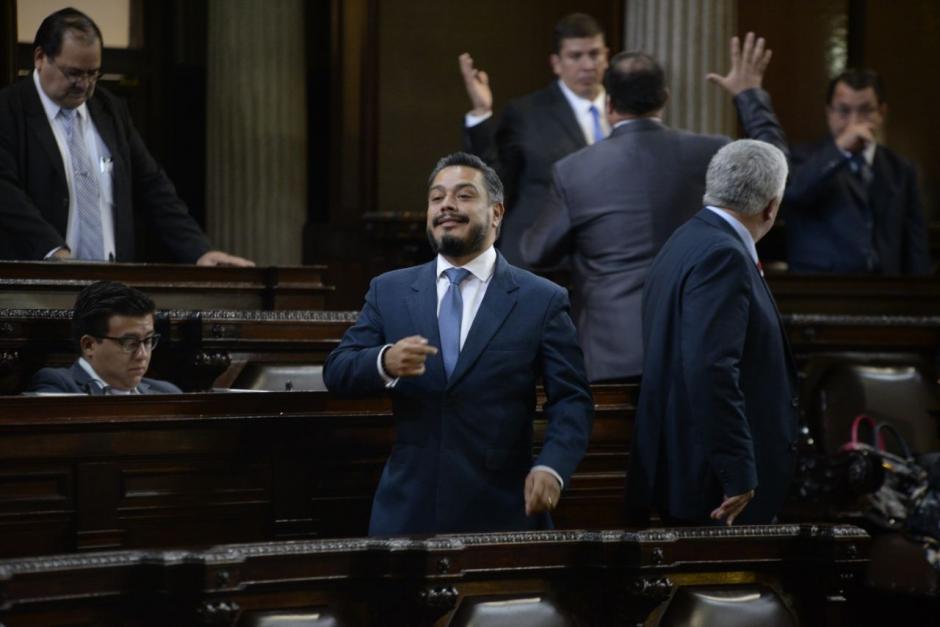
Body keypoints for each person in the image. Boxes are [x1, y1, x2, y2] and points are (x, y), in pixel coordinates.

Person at [323, 152, 594, 536]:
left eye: (464, 195)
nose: (446, 205)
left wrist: (552, 467)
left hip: (502, 511)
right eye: (437, 197)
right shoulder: (390, 290)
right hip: (407, 511)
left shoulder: (541, 299)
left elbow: (572, 400)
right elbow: (337, 370)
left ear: (496, 213)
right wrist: (384, 361)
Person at [522, 33, 788, 382]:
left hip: (611, 357)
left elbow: (536, 251)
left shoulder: (573, 170)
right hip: (695, 346)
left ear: (609, 104)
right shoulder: (711, 153)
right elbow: (773, 165)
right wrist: (748, 95)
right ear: (665, 98)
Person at [627, 140, 799, 526]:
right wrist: (736, 472)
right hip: (714, 488)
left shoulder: (684, 240)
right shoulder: (723, 256)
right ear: (771, 207)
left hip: (686, 468)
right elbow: (712, 370)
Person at [0, 7, 252, 266]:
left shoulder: (110, 110)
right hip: (38, 283)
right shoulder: (9, 111)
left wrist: (199, 250)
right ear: (40, 58)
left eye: (93, 73)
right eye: (74, 73)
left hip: (111, 286)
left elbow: (153, 187)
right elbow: (7, 196)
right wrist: (53, 251)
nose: (85, 84)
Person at [459, 13, 609, 268]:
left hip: (607, 262)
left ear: (606, 56)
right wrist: (481, 114)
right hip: (540, 261)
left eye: (594, 54)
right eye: (575, 56)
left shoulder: (626, 108)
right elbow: (494, 182)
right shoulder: (526, 113)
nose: (587, 65)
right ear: (556, 63)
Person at [783, 68, 930, 274]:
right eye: (844, 111)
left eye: (866, 111)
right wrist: (840, 150)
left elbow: (917, 247)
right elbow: (793, 192)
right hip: (818, 292)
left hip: (886, 294)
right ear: (829, 112)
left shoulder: (902, 170)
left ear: (882, 113)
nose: (854, 122)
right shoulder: (802, 158)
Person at [27, 281, 181, 394]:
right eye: (130, 343)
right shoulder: (57, 385)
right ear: (89, 345)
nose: (143, 355)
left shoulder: (168, 393)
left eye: (148, 341)